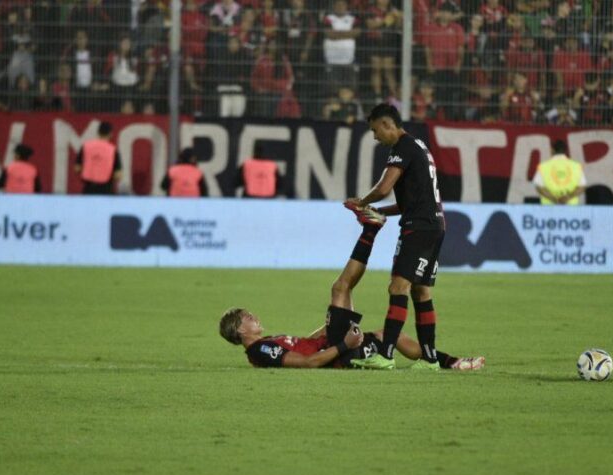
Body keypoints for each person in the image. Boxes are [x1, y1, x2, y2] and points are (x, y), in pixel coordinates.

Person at [218, 218, 483, 371]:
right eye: (247, 317)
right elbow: (309, 363)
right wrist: (345, 343)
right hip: (339, 353)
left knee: (389, 335)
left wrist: (329, 326)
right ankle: (371, 229)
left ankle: (452, 363)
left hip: (333, 343)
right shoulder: (262, 350)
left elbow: (304, 344)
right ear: (240, 331)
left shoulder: (266, 342)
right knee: (341, 289)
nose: (254, 317)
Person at [345, 103, 447, 371]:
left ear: (388, 124)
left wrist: (362, 202)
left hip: (418, 227)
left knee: (397, 287)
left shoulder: (402, 148)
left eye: (376, 130)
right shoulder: (418, 146)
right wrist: (376, 210)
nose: (375, 137)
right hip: (434, 225)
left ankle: (386, 355)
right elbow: (405, 203)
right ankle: (430, 359)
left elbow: (383, 187)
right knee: (421, 290)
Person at [74, 121, 121, 195]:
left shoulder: (85, 146)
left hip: (88, 189)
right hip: (106, 190)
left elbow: (77, 168)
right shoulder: (113, 150)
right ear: (111, 134)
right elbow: (118, 175)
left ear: (98, 132)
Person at [534, 139, 586, 205]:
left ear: (552, 150)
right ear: (566, 151)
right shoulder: (576, 166)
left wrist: (553, 199)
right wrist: (568, 197)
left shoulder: (543, 166)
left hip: (548, 208)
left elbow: (539, 187)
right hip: (571, 207)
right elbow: (582, 186)